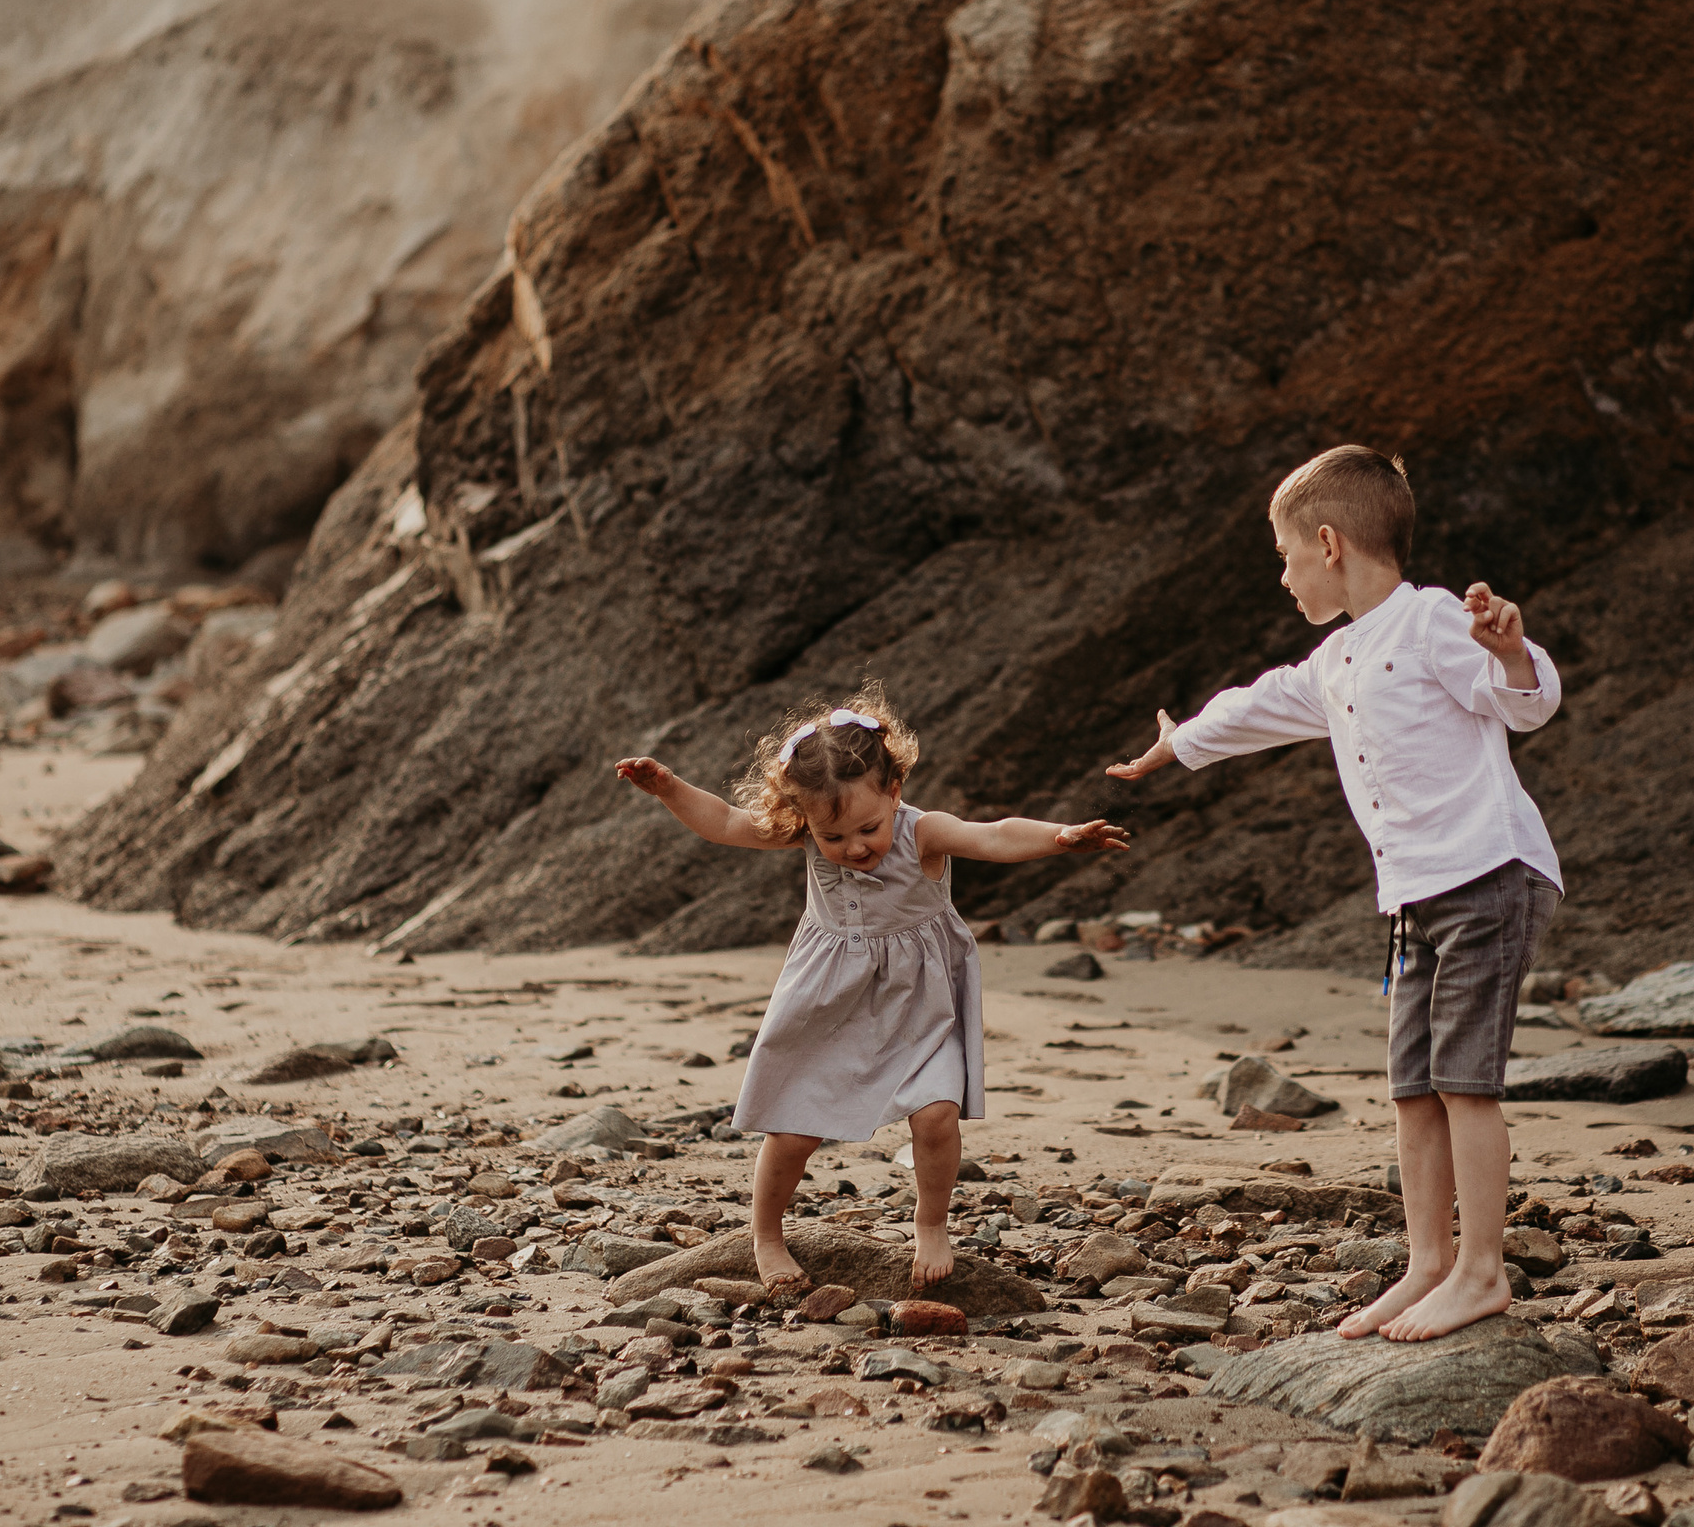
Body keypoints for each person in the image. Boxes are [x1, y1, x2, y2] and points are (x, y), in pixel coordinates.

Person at [1108, 444, 1563, 1341]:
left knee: (1466, 1085)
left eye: (1284, 557)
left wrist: (1513, 652)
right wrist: (1182, 742)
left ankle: (1481, 1270)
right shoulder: (1338, 659)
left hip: (1489, 875)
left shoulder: (1433, 619)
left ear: (1327, 543)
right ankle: (1428, 1261)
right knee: (1413, 1088)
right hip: (1414, 898)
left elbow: (1523, 703)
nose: (1281, 577)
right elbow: (1258, 704)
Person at [617, 687, 1129, 1292]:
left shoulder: (923, 833)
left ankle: (931, 1222)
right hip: (829, 999)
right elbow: (727, 823)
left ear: (894, 792)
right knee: (793, 1129)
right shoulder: (805, 832)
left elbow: (992, 835)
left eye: (868, 829)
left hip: (918, 1000)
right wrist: (669, 787)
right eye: (834, 839)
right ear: (806, 819)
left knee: (937, 1115)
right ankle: (765, 1235)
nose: (854, 848)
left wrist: (1060, 837)